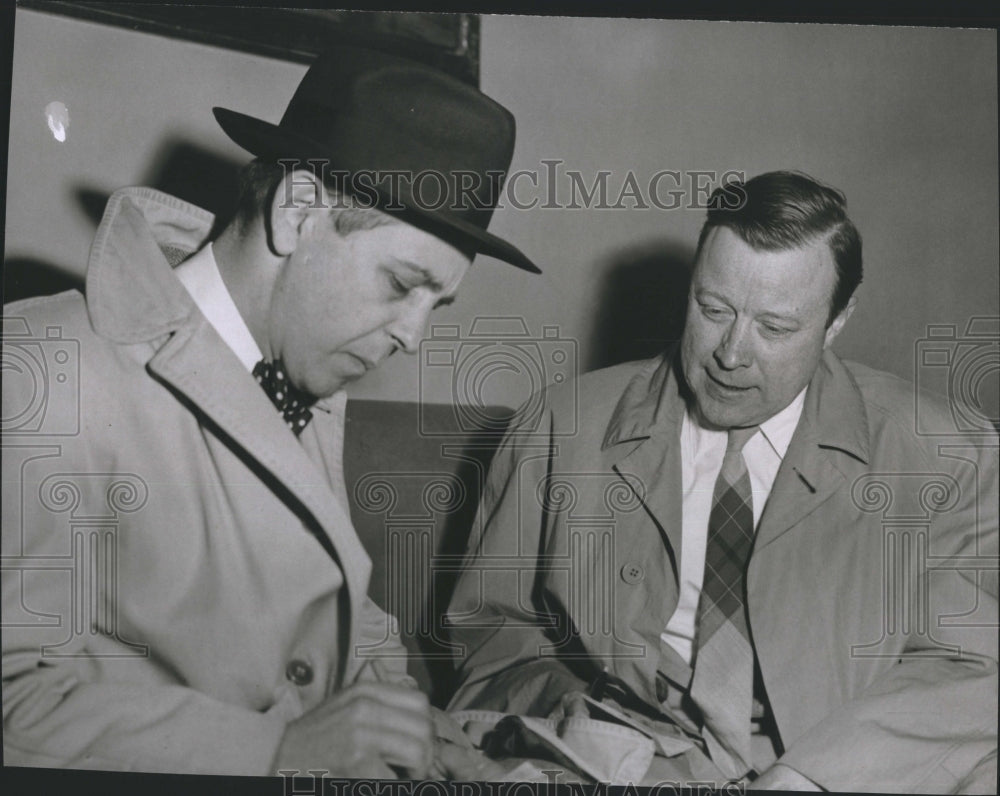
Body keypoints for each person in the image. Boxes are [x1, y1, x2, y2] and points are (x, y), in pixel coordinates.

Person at [1, 45, 538, 777]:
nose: (414, 336)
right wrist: (280, 751)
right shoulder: (43, 364)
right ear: (298, 211)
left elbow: (331, 611)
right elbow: (13, 703)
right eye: (400, 285)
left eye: (436, 305)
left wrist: (424, 730)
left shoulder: (302, 371)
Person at [446, 171, 998, 791]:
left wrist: (809, 780)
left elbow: (973, 665)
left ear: (838, 320)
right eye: (712, 310)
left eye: (775, 328)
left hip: (850, 763)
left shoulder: (950, 452)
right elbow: (493, 634)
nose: (731, 354)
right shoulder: (559, 425)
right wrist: (594, 726)